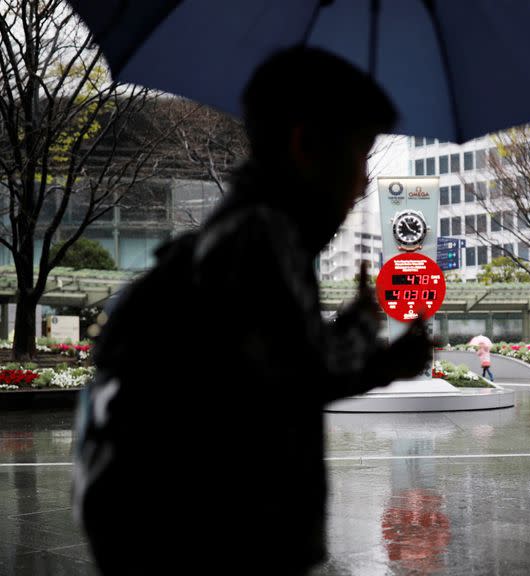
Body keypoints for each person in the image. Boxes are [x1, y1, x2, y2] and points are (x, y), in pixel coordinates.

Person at [73, 47, 432, 575]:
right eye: (358, 155)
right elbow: (294, 375)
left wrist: (359, 326)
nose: (360, 186)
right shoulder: (261, 238)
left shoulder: (237, 235)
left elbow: (270, 362)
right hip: (230, 548)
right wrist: (382, 357)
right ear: (305, 143)